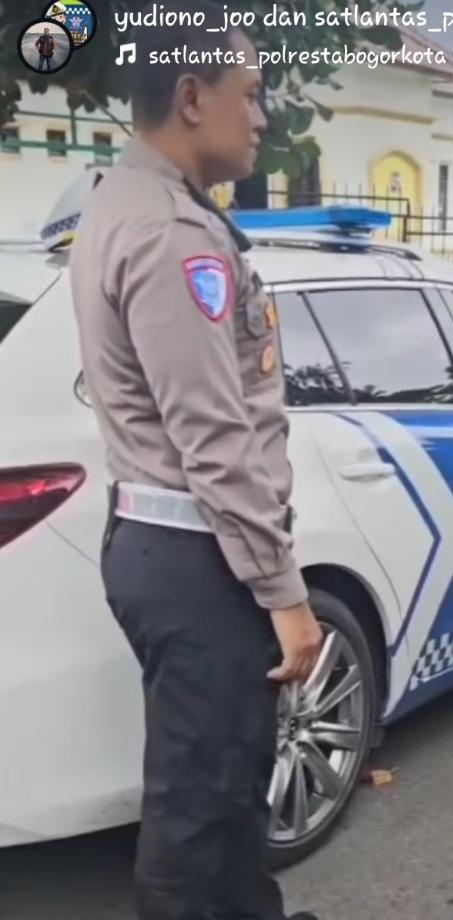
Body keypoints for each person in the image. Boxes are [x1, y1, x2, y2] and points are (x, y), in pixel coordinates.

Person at [67, 12, 323, 920]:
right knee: (201, 803)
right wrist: (285, 596)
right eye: (249, 95)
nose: (260, 119)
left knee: (222, 779)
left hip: (165, 546)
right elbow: (214, 437)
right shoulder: (173, 234)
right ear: (189, 97)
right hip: (198, 558)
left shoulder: (125, 202)